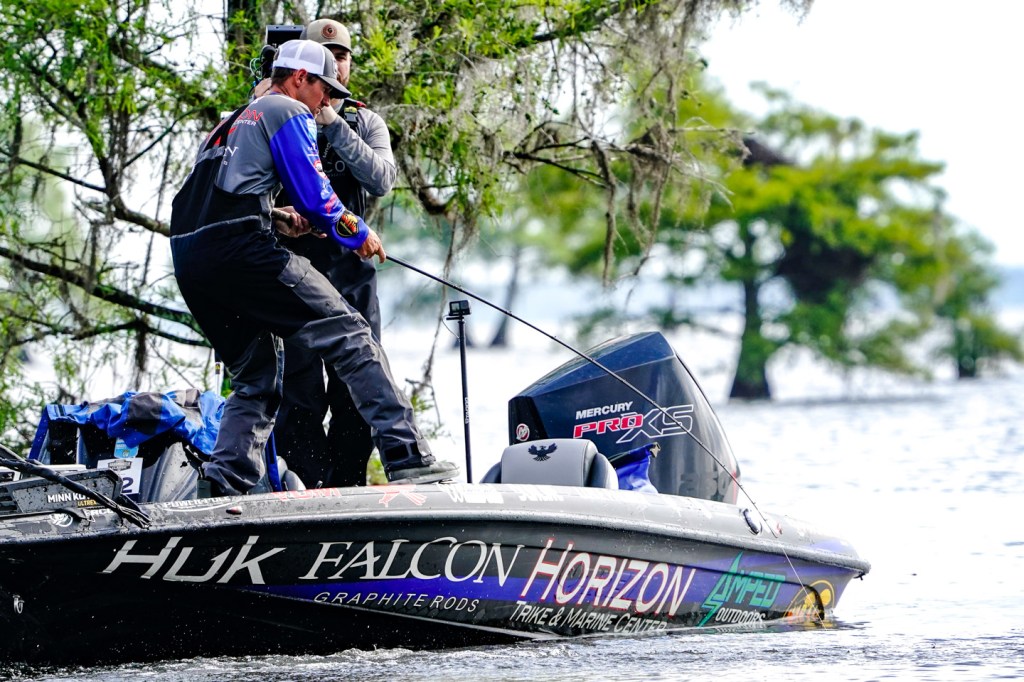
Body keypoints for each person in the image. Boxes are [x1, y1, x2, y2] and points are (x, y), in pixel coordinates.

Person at [170, 39, 458, 496]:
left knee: (257, 378)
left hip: (191, 261)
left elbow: (213, 198)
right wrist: (358, 232)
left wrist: (276, 216)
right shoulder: (287, 109)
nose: (327, 101)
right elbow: (316, 194)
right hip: (245, 253)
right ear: (300, 78)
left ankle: (223, 487)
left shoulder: (230, 122)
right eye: (324, 89)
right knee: (352, 334)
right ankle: (409, 458)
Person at [272, 18, 397, 488]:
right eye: (325, 56)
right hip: (293, 273)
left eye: (341, 56)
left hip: (351, 275)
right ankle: (308, 490)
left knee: (356, 387)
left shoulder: (365, 121)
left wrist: (333, 124)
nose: (335, 64)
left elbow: (381, 179)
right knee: (299, 392)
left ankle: (349, 486)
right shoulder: (274, 114)